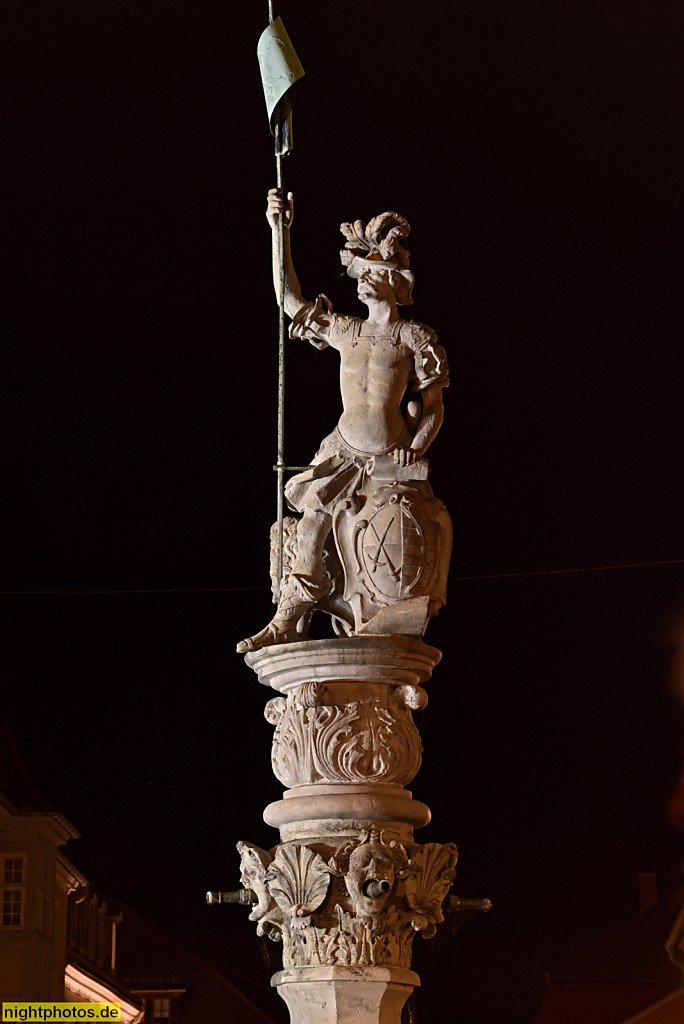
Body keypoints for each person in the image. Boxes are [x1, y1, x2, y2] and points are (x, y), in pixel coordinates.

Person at [236, 190, 448, 653]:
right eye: (359, 275)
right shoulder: (345, 330)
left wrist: (416, 449)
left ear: (394, 281)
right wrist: (280, 231)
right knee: (311, 521)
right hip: (343, 449)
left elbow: (432, 406)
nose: (361, 282)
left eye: (371, 274)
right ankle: (288, 618)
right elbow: (289, 300)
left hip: (389, 452)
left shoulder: (413, 337)